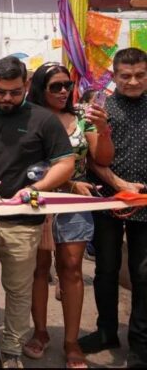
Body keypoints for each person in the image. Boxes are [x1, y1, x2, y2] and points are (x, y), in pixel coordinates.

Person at [0, 56, 75, 369]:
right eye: (0, 92)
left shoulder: (43, 119)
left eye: (15, 92)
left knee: (19, 291)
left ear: (26, 86)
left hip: (24, 220)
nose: (7, 98)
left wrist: (39, 189)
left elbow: (65, 163)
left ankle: (11, 350)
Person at [24, 63, 113, 368]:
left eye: (67, 85)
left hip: (75, 204)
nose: (64, 91)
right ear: (40, 88)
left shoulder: (80, 118)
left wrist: (102, 129)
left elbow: (101, 158)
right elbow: (26, 164)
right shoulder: (27, 118)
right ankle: (40, 333)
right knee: (38, 269)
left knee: (72, 269)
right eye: (55, 87)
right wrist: (67, 181)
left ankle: (72, 342)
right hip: (36, 201)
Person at [79, 48, 147, 367]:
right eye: (126, 75)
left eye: (140, 75)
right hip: (109, 198)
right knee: (106, 268)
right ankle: (106, 330)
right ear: (115, 75)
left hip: (146, 200)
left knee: (143, 273)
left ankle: (140, 343)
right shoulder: (100, 108)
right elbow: (96, 160)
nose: (133, 81)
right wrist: (120, 185)